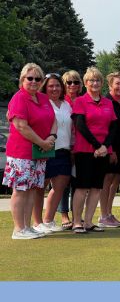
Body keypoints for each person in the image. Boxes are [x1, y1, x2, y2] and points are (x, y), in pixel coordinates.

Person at [5, 64, 56, 239]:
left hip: (39, 153)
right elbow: (21, 126)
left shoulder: (42, 98)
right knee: (20, 189)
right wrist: (42, 141)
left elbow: (53, 119)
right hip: (22, 153)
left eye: (38, 79)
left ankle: (27, 227)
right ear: (22, 79)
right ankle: (18, 229)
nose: (34, 82)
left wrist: (52, 137)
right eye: (30, 78)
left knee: (32, 189)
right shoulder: (19, 98)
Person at [70, 67, 118, 234]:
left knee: (97, 187)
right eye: (91, 80)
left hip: (104, 151)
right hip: (85, 150)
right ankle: (77, 222)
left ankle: (89, 222)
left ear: (102, 83)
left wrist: (104, 146)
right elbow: (80, 126)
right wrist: (97, 146)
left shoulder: (108, 103)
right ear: (85, 83)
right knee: (82, 187)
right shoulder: (80, 102)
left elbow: (113, 127)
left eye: (97, 80)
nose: (95, 83)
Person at [33, 73, 72, 234]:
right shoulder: (41, 103)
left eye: (57, 85)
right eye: (51, 86)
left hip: (64, 150)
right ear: (45, 87)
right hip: (46, 150)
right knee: (40, 186)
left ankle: (48, 220)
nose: (55, 88)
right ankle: (37, 222)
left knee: (60, 186)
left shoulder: (66, 104)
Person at [97, 72, 120, 228]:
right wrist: (112, 150)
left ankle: (109, 213)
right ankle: (103, 215)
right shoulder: (106, 102)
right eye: (117, 84)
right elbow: (108, 128)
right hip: (112, 148)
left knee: (115, 182)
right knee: (107, 181)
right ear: (110, 86)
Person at [55, 69, 83, 229]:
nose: (73, 85)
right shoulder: (61, 102)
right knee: (62, 183)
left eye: (76, 82)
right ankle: (64, 215)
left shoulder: (82, 101)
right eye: (69, 82)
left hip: (80, 147)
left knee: (77, 183)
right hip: (63, 147)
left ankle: (76, 216)